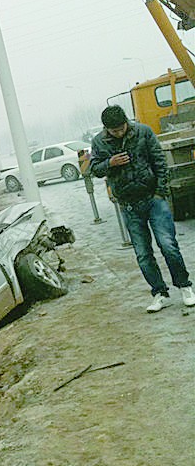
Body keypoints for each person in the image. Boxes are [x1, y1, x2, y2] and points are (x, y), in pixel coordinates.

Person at [90, 105, 195, 312]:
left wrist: (160, 192)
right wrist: (109, 163)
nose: (119, 132)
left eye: (121, 128)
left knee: (167, 245)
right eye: (114, 131)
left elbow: (160, 162)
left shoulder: (143, 132)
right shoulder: (99, 142)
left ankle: (185, 287)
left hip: (153, 199)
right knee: (143, 253)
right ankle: (159, 293)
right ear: (106, 129)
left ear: (126, 122)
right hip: (129, 205)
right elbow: (94, 169)